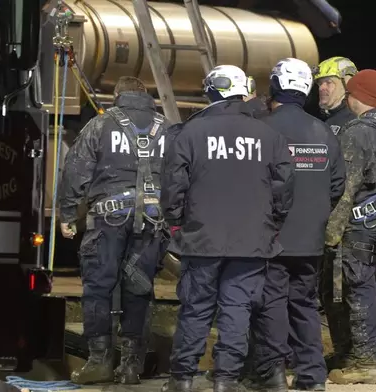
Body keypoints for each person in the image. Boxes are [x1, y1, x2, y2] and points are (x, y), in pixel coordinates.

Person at [159, 64, 295, 392]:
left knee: (196, 309)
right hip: (251, 241)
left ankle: (182, 379)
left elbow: (173, 186)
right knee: (237, 309)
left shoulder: (189, 133)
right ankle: (226, 379)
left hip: (201, 240)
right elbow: (284, 188)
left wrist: (177, 223)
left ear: (212, 91)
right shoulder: (269, 136)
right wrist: (271, 224)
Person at [58, 76, 172, 385]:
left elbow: (75, 169)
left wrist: (67, 214)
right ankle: (131, 365)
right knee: (139, 288)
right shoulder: (168, 129)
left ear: (119, 95)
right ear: (146, 96)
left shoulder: (101, 125)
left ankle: (99, 361)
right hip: (152, 222)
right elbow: (180, 177)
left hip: (108, 221)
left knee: (98, 286)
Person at [246, 58, 346, 392]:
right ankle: (312, 376)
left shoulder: (261, 129)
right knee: (304, 305)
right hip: (310, 239)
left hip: (272, 236)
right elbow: (337, 186)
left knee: (271, 302)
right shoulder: (324, 132)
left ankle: (273, 375)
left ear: (275, 86)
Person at [321, 69, 376, 384]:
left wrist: (332, 233)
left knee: (357, 291)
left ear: (355, 95)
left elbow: (346, 189)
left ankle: (365, 362)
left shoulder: (356, 131)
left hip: (360, 226)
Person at [312, 56, 358, 136]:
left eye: (328, 82)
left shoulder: (355, 124)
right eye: (320, 83)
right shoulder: (324, 119)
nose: (321, 88)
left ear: (347, 85)